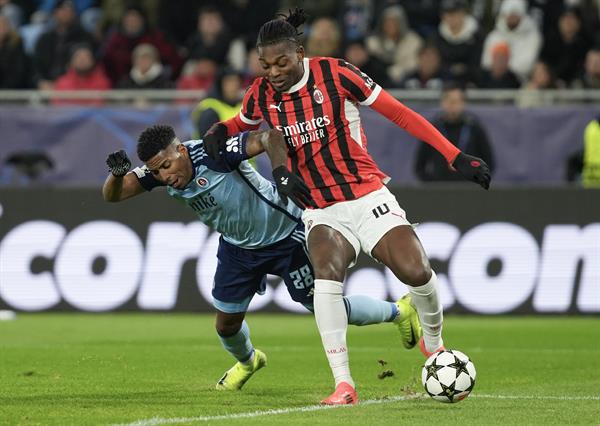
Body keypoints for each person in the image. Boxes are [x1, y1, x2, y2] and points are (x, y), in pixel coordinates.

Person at [203, 9, 491, 405]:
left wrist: (454, 155)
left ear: (300, 53)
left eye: (282, 62)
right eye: (265, 64)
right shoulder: (261, 93)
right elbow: (241, 122)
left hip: (367, 194)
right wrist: (220, 130)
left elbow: (401, 114)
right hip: (320, 209)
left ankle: (434, 342)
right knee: (326, 273)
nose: (273, 72)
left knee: (416, 270)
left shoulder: (338, 74)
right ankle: (344, 385)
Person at [102, 124, 412, 392]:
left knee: (322, 307)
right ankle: (249, 362)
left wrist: (280, 173)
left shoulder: (214, 153)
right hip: (238, 249)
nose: (163, 176)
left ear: (180, 150)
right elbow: (113, 195)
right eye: (156, 171)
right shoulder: (160, 171)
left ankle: (399, 312)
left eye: (166, 166)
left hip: (285, 234)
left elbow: (270, 138)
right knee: (225, 325)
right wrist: (116, 175)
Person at [415, 84, 494, 181]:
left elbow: (489, 162)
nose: (452, 105)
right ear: (442, 102)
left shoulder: (474, 128)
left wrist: (476, 183)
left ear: (463, 103)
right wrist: (431, 185)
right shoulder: (433, 129)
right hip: (439, 190)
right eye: (449, 101)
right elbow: (419, 165)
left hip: (468, 191)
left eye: (456, 101)